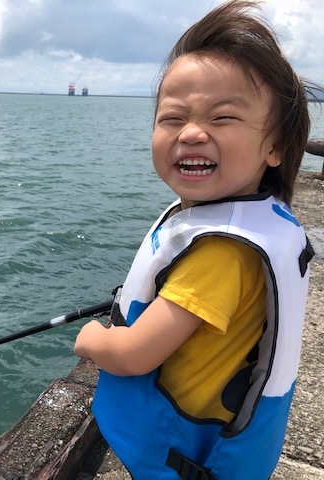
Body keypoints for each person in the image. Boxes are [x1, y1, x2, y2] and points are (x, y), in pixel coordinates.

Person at [74, 1, 316, 479]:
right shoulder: (262, 220)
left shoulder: (223, 254)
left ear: (276, 147)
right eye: (172, 118)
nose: (191, 133)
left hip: (185, 453)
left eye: (222, 118)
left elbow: (131, 355)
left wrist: (91, 341)